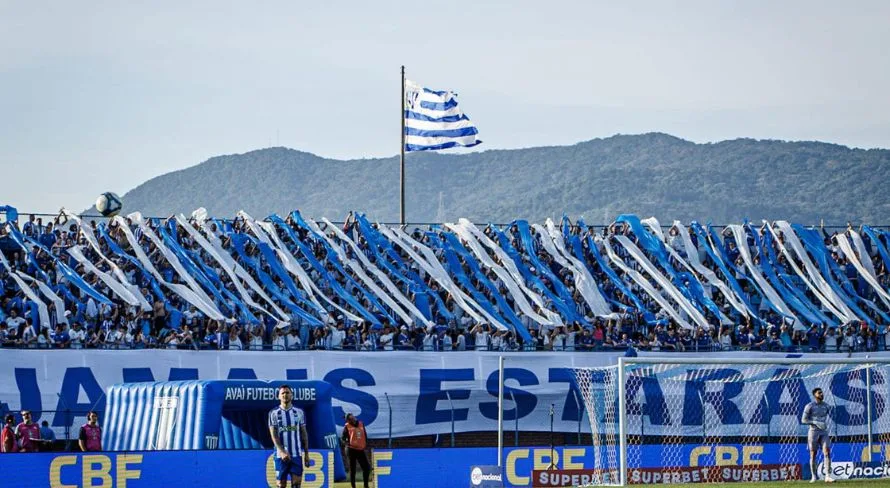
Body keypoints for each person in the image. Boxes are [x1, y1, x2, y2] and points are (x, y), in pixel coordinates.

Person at [268, 385, 310, 488]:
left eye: (287, 393)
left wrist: (306, 454)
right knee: (281, 485)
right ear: (278, 396)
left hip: (296, 454)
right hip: (279, 455)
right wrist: (282, 451)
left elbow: (304, 433)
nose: (285, 395)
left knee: (296, 485)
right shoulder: (273, 413)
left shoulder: (299, 412)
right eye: (282, 393)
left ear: (292, 395)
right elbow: (273, 435)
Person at [801, 388, 834, 483]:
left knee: (827, 452)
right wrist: (815, 422)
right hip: (813, 432)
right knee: (813, 454)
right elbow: (803, 420)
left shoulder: (826, 406)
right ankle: (814, 476)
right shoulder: (809, 406)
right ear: (814, 394)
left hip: (824, 432)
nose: (821, 394)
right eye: (819, 393)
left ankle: (827, 476)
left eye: (822, 392)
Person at [341, 413, 372, 488]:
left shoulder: (361, 424)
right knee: (353, 469)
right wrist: (347, 444)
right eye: (348, 419)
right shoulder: (347, 426)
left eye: (351, 417)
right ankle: (353, 486)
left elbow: (365, 434)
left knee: (366, 468)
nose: (350, 420)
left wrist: (364, 444)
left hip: (360, 449)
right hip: (351, 450)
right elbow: (342, 438)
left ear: (353, 417)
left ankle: (366, 485)